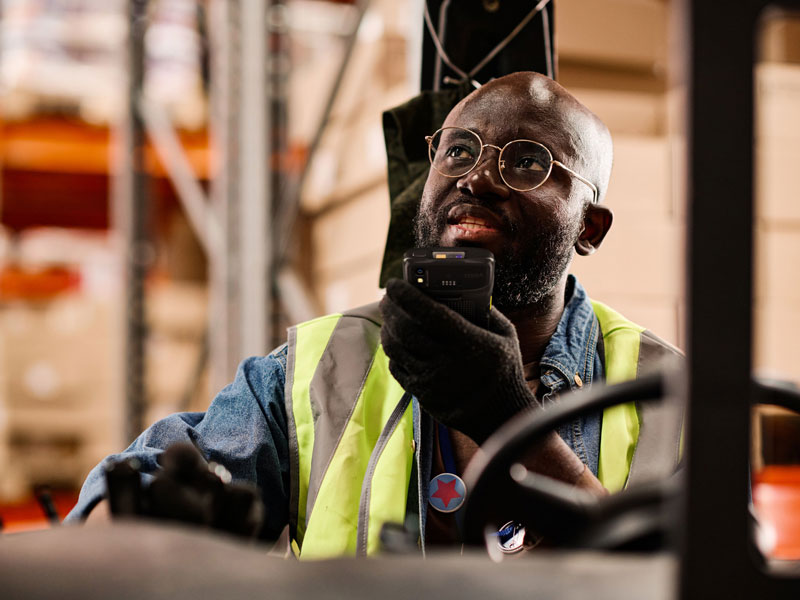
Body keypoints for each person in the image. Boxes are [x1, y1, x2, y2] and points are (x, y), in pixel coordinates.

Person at [66, 72, 681, 558]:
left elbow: (697, 576)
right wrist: (133, 520)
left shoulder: (671, 397)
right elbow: (140, 491)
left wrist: (506, 419)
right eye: (459, 151)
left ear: (590, 229)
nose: (479, 178)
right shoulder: (319, 367)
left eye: (527, 163)